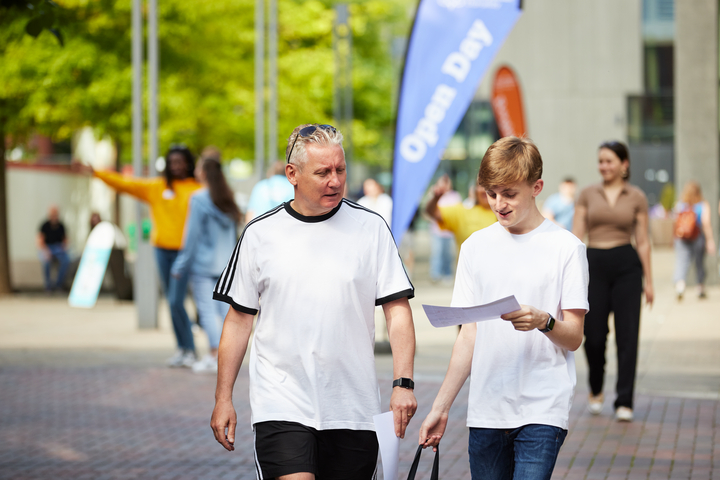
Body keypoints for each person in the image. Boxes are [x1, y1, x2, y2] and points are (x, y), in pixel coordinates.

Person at [210, 123, 417, 480]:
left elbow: (397, 311)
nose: (335, 181)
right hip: (281, 404)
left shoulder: (371, 228)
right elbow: (239, 319)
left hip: (354, 408)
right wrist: (223, 397)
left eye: (340, 170)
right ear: (293, 174)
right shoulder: (260, 234)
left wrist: (403, 383)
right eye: (323, 172)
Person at [419, 137, 589, 480]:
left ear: (536, 187)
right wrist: (441, 406)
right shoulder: (474, 248)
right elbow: (469, 337)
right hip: (486, 409)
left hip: (542, 407)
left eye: (509, 193)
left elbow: (573, 338)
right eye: (491, 193)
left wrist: (545, 321)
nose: (499, 203)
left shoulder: (566, 248)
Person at [89, 145, 202, 367]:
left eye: (180, 162)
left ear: (188, 163)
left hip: (184, 253)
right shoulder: (157, 187)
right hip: (161, 250)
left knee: (175, 301)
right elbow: (125, 183)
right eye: (172, 162)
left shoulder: (197, 190)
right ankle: (182, 349)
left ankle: (190, 349)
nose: (176, 166)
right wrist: (96, 172)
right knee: (172, 303)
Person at [573, 140, 653, 422]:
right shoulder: (587, 194)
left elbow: (642, 242)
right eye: (601, 161)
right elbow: (575, 238)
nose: (603, 166)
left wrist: (650, 282)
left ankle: (624, 400)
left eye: (609, 161)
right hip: (593, 264)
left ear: (624, 164)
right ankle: (596, 387)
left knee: (628, 335)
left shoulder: (637, 197)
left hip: (627, 267)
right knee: (593, 336)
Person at [171, 153, 241, 373]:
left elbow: (191, 238)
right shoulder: (228, 198)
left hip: (202, 266)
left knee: (207, 312)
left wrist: (180, 265)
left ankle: (213, 355)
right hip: (225, 265)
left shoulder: (199, 199)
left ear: (203, 172)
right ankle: (226, 356)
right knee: (224, 313)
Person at [425, 174, 497, 252]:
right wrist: (435, 198)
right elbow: (432, 212)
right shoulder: (462, 212)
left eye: (491, 185)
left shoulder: (505, 214)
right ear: (475, 189)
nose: (485, 189)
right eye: (481, 185)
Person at [672, 181, 716, 299]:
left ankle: (680, 285)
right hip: (697, 237)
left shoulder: (681, 204)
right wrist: (710, 240)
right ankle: (700, 287)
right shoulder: (702, 205)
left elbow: (676, 221)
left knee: (682, 262)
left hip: (681, 238)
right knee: (699, 263)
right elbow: (706, 224)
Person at [428, 180, 462, 283]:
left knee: (448, 254)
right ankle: (435, 274)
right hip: (437, 230)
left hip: (450, 231)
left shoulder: (455, 196)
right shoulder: (435, 195)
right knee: (437, 253)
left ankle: (447, 274)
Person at [37, 205, 70, 292]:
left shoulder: (61, 225)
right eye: (52, 214)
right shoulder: (44, 225)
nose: (54, 216)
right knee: (46, 262)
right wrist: (46, 251)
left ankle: (58, 285)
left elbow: (65, 240)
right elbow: (40, 241)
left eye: (55, 214)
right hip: (47, 248)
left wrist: (64, 248)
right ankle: (48, 286)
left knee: (66, 260)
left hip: (58, 248)